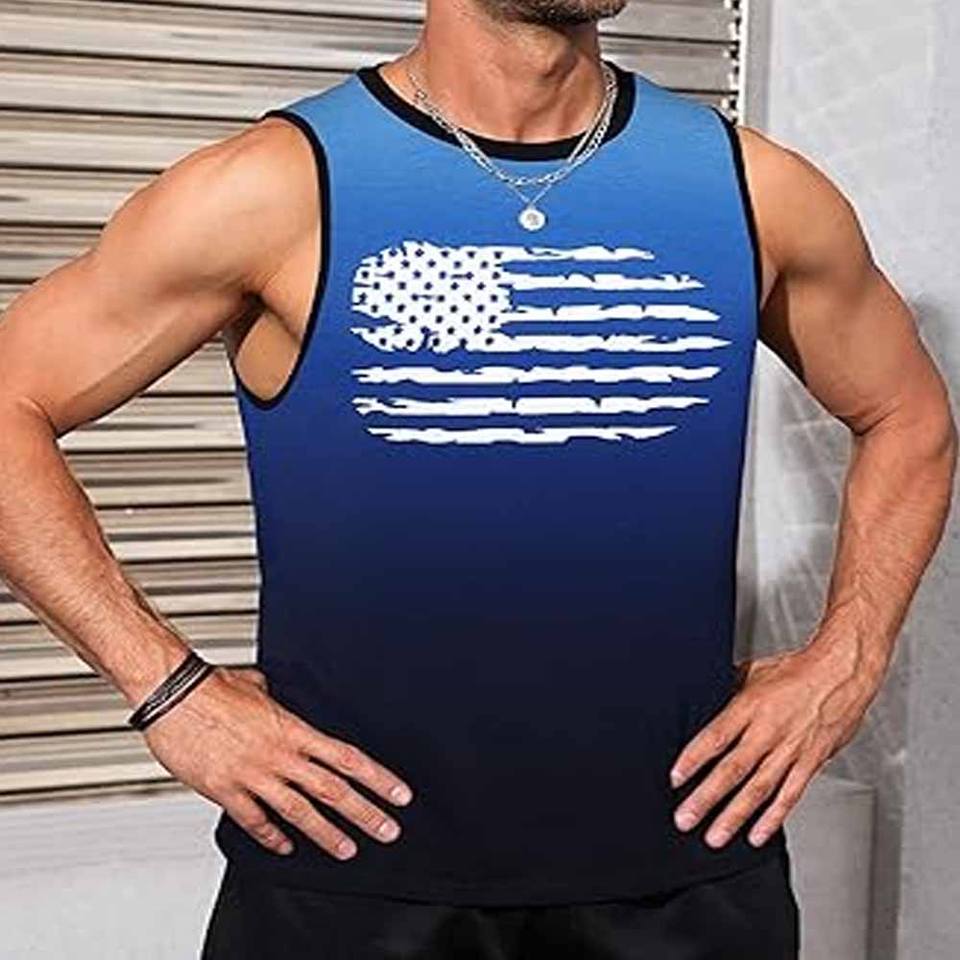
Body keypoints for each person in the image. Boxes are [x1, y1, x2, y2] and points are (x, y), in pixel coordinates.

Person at [0, 0, 954, 957]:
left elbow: (908, 419)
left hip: (685, 878)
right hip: (350, 881)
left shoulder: (755, 188)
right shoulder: (278, 188)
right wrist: (168, 690)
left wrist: (850, 660)